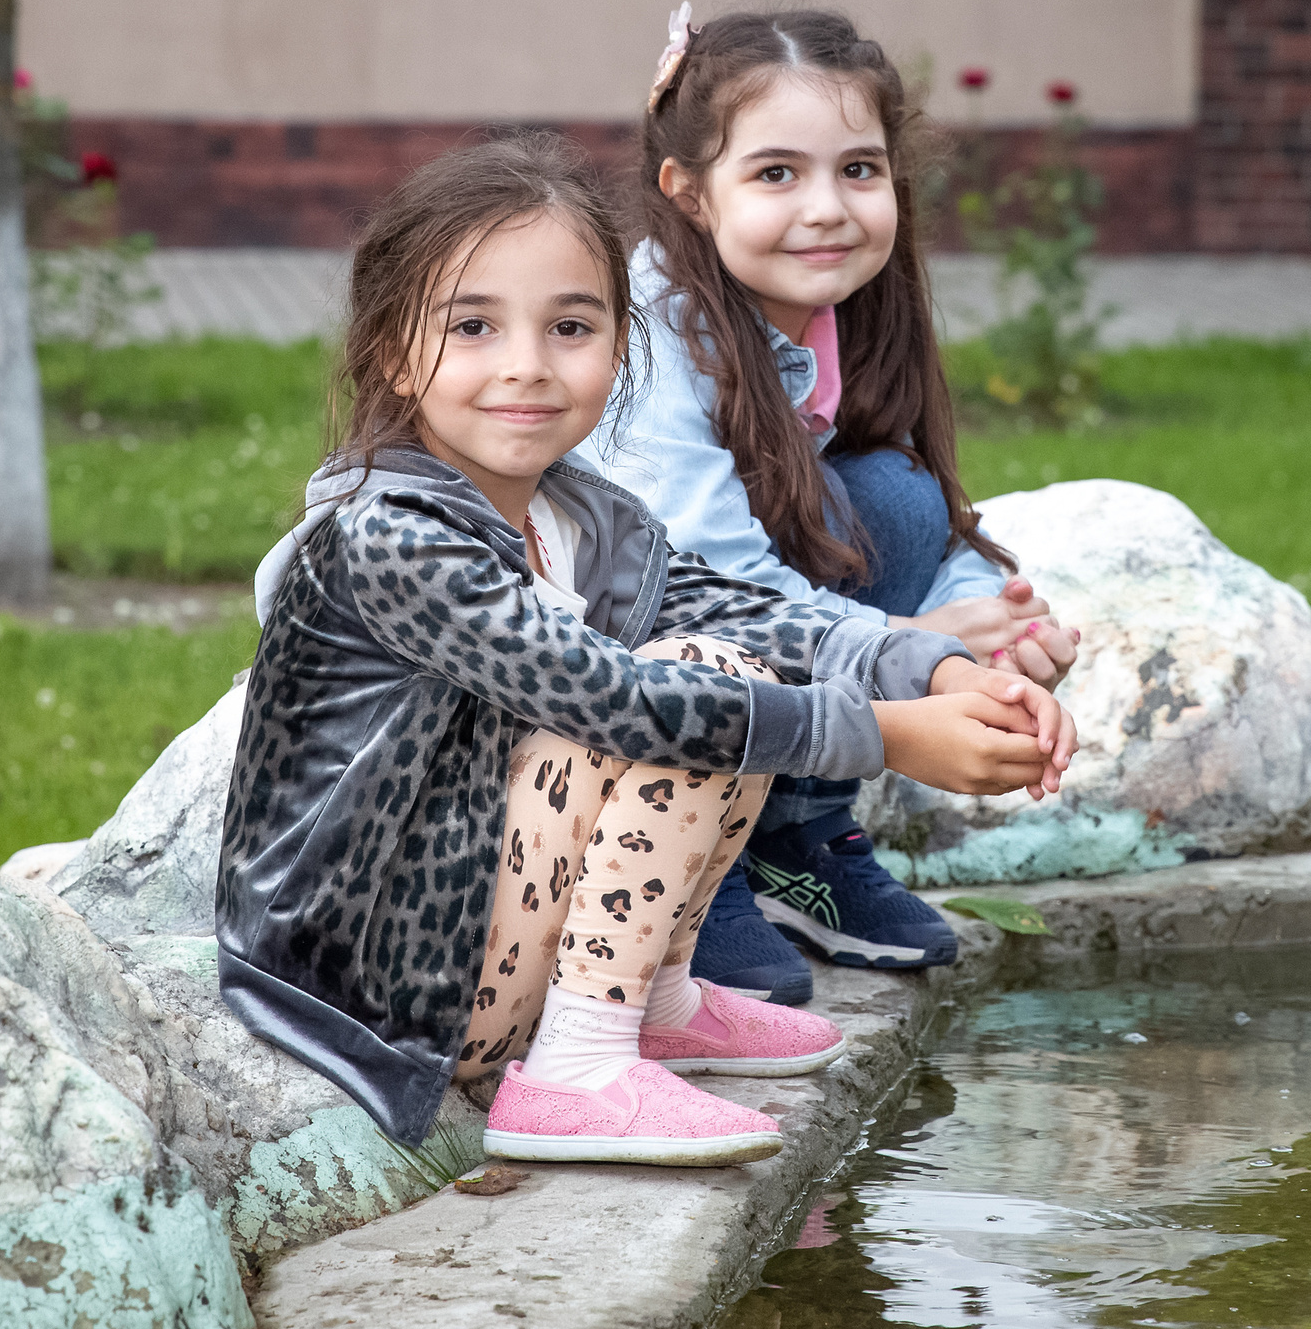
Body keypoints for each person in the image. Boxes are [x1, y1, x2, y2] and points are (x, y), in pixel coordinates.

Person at [217, 133, 1075, 1167]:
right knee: (690, 697)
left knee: (728, 661)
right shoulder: (393, 536)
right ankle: (575, 1070)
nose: (526, 366)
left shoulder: (589, 517)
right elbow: (617, 702)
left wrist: (931, 668)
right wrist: (885, 735)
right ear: (394, 352)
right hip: (376, 981)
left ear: (621, 347)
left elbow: (741, 608)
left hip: (470, 931)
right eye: (473, 328)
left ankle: (647, 1005)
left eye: (570, 326)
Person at [597, 6, 1084, 1004]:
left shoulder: (827, 312)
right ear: (688, 193)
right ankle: (699, 869)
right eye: (776, 174)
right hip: (638, 644)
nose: (827, 207)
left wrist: (993, 627)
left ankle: (797, 840)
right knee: (813, 568)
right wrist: (913, 649)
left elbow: (930, 513)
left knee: (894, 497)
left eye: (857, 171)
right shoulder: (651, 343)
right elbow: (707, 588)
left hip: (753, 639)